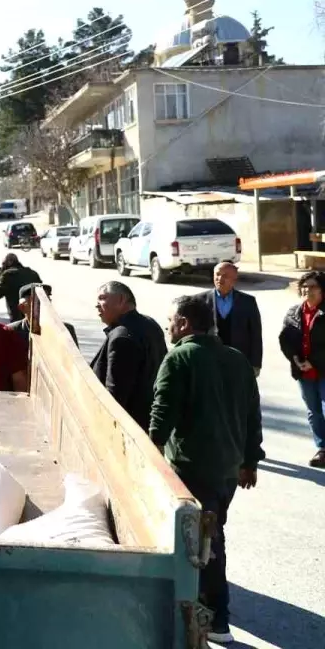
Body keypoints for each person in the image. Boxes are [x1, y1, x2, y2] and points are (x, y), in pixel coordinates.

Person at [149, 295, 264, 645]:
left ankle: (216, 617)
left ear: (184, 323)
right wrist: (250, 461)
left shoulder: (179, 357)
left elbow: (162, 411)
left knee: (205, 543)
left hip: (192, 467)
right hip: (228, 469)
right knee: (207, 537)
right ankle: (203, 606)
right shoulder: (237, 359)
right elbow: (252, 415)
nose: (168, 326)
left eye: (171, 320)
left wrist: (151, 450)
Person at [91, 281, 167, 429]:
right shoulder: (150, 323)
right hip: (148, 419)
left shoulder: (122, 337)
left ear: (121, 300)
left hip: (129, 427)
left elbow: (115, 395)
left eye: (102, 298)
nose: (97, 305)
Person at [278, 270, 325, 468]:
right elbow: (285, 340)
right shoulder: (293, 313)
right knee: (313, 411)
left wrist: (313, 362)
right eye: (305, 286)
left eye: (313, 286)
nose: (308, 290)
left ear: (322, 290)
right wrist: (296, 360)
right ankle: (322, 449)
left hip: (322, 369)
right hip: (303, 372)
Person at [194, 262, 263, 376]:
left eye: (225, 276)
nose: (220, 279)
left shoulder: (247, 301)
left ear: (234, 279)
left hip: (238, 360)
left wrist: (256, 364)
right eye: (217, 274)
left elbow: (255, 334)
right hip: (209, 361)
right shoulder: (199, 300)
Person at [7, 283, 78, 347]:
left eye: (47, 302)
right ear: (22, 307)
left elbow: (74, 357)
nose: (44, 306)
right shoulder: (10, 331)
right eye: (38, 303)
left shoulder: (65, 330)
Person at [0, 253, 41, 322]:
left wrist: (0, 276)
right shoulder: (33, 273)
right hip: (34, 314)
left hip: (16, 316)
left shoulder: (7, 275)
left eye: (3, 264)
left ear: (9, 262)